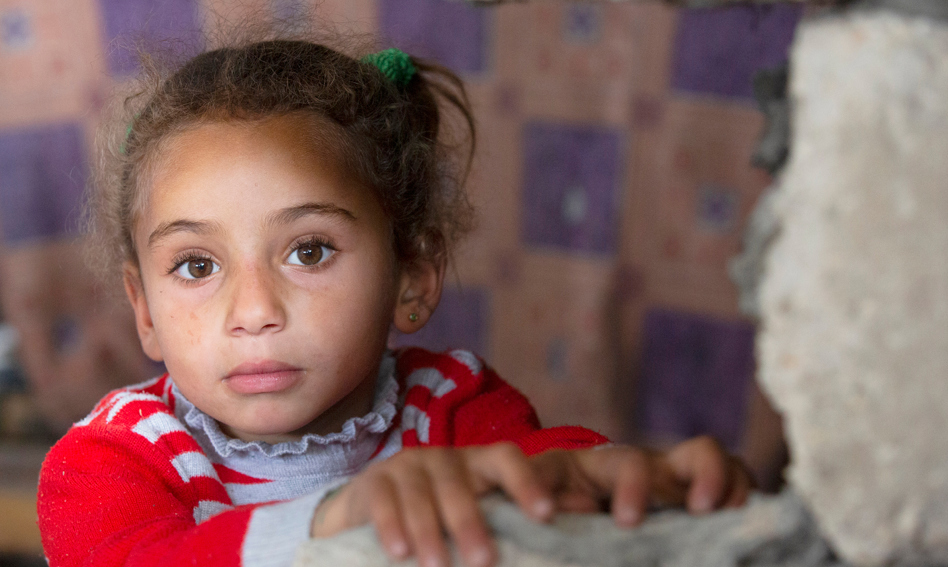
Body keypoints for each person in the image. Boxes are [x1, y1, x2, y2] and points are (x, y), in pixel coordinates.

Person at [37, 36, 752, 567]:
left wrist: (620, 478)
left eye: (309, 250)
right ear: (144, 308)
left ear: (412, 274)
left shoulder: (451, 403)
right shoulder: (108, 461)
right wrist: (339, 518)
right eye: (196, 264)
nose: (253, 310)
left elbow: (540, 473)